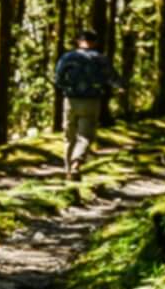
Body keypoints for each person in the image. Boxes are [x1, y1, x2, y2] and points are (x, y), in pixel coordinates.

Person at [53, 29, 124, 181]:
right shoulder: (100, 59)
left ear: (78, 41)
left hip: (70, 100)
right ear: (95, 42)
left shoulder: (67, 57)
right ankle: (76, 164)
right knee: (85, 135)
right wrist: (121, 86)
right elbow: (111, 77)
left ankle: (67, 170)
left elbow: (58, 77)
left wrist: (66, 88)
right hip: (91, 101)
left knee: (68, 135)